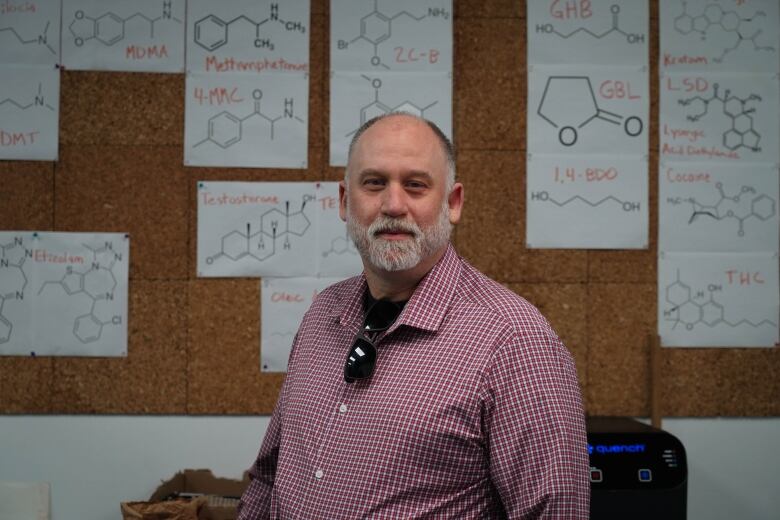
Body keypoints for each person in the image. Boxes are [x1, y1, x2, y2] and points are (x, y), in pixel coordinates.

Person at [238, 113, 590, 519]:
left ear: (453, 203)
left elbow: (556, 512)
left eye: (416, 185)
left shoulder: (514, 341)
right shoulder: (323, 315)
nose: (393, 205)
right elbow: (269, 479)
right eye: (374, 183)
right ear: (343, 201)